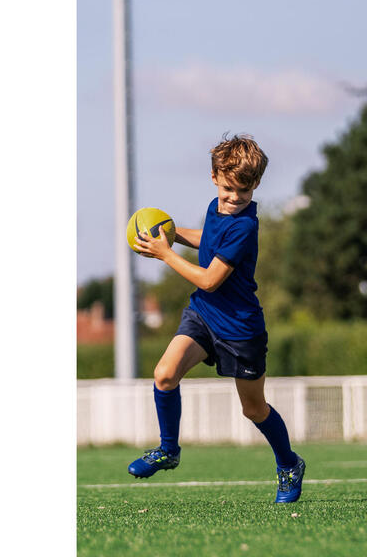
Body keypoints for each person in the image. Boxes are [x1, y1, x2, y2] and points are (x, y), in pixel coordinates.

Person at [127, 135, 306, 503]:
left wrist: (164, 254)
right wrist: (171, 235)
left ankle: (289, 464)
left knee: (253, 409)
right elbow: (207, 239)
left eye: (243, 190)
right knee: (164, 374)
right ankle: (168, 449)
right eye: (227, 188)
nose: (234, 197)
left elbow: (209, 278)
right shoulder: (216, 208)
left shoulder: (246, 227)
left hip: (241, 330)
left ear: (255, 185)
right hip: (203, 316)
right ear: (214, 177)